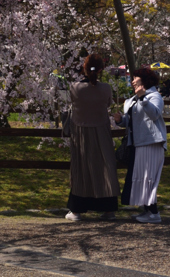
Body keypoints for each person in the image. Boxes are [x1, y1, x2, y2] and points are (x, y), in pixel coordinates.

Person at [65, 53, 119, 222]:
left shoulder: (75, 88)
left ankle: (77, 210)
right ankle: (109, 209)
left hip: (81, 132)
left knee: (81, 170)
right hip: (101, 131)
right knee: (105, 169)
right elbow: (109, 104)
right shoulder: (106, 88)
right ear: (101, 69)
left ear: (84, 68)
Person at [114, 67, 167, 223]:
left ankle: (154, 213)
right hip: (137, 143)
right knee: (142, 178)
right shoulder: (132, 99)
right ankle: (148, 212)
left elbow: (155, 114)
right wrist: (120, 121)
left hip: (151, 142)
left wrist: (143, 98)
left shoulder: (154, 96)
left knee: (148, 178)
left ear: (144, 79)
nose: (132, 80)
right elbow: (131, 122)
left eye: (135, 77)